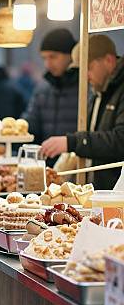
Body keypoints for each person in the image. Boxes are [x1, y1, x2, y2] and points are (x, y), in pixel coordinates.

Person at [41, 35, 124, 190]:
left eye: (89, 68)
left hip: (117, 193)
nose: (85, 76)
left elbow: (120, 139)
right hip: (99, 190)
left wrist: (72, 142)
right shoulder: (99, 91)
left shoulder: (119, 90)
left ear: (109, 60)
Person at [22, 28, 79, 166]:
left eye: (53, 57)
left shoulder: (86, 89)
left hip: (77, 168)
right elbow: (30, 125)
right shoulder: (42, 89)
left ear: (70, 55)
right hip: (44, 168)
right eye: (44, 58)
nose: (48, 64)